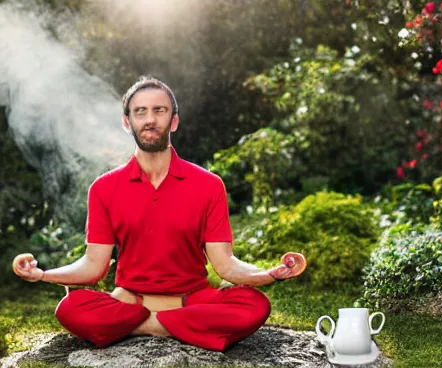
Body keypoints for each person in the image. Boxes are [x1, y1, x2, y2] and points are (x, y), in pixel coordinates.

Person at [11, 76, 307, 352]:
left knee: (253, 305)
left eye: (159, 110)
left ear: (173, 121)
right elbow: (93, 266)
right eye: (140, 112)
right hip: (131, 299)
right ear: (127, 123)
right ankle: (177, 327)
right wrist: (43, 274)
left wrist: (269, 274)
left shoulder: (208, 185)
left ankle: (142, 327)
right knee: (70, 308)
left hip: (191, 299)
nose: (150, 119)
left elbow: (225, 265)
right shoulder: (104, 188)